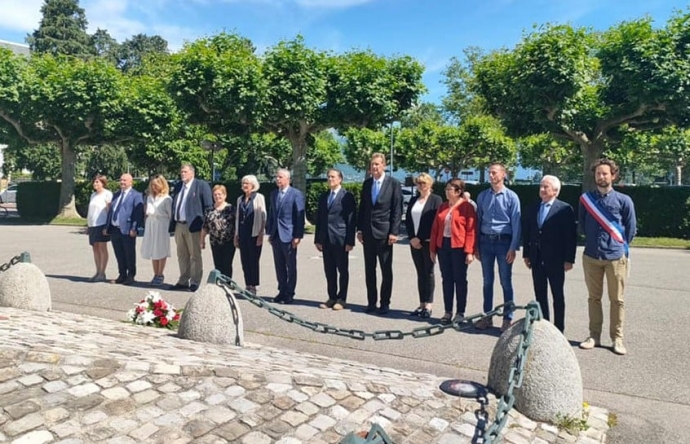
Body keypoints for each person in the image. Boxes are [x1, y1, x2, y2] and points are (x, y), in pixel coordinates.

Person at [578, 159, 636, 355]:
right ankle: (594, 335)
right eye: (598, 174)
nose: (601, 177)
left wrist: (618, 246)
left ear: (613, 175)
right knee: (594, 298)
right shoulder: (586, 199)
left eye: (605, 173)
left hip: (615, 257)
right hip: (592, 256)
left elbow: (631, 228)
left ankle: (617, 338)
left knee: (617, 300)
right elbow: (583, 226)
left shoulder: (624, 200)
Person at [522, 175, 577, 333]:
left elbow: (570, 236)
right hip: (537, 258)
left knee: (557, 295)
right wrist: (527, 254)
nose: (542, 190)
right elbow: (528, 232)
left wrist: (569, 259)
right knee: (540, 294)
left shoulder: (564, 209)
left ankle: (559, 329)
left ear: (555, 191)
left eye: (546, 187)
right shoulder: (533, 207)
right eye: (541, 186)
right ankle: (543, 326)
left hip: (556, 260)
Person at [475, 162, 521, 332]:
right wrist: (476, 246)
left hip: (503, 242)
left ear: (503, 175)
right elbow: (478, 220)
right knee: (487, 282)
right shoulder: (482, 196)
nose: (491, 175)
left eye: (494, 172)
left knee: (505, 281)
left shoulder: (511, 197)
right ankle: (487, 317)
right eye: (489, 173)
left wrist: (513, 247)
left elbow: (516, 223)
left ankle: (507, 319)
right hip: (485, 241)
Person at [357, 153, 403, 315]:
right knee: (370, 270)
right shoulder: (367, 184)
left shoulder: (393, 184)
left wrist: (394, 232)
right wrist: (360, 229)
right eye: (372, 165)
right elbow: (363, 208)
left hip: (384, 234)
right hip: (368, 234)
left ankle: (385, 303)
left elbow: (397, 210)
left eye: (377, 164)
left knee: (386, 270)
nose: (374, 167)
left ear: (384, 165)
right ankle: (371, 302)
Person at [429, 179, 476, 324]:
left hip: (459, 247)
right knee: (447, 279)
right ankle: (447, 311)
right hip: (444, 246)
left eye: (449, 189)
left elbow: (471, 230)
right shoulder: (442, 206)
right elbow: (435, 228)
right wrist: (433, 249)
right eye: (446, 189)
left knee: (460, 280)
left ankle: (460, 312)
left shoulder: (467, 207)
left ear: (458, 191)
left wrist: (469, 251)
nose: (447, 192)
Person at [315, 168, 356, 311]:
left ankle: (342, 298)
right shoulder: (324, 196)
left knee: (342, 270)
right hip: (326, 238)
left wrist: (350, 241)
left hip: (340, 238)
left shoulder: (347, 196)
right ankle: (331, 297)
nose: (330, 179)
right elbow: (319, 219)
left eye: (333, 177)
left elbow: (351, 220)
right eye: (328, 177)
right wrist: (317, 239)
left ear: (340, 179)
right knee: (329, 270)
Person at [170, 163, 213, 292]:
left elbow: (208, 207)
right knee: (182, 254)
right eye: (181, 172)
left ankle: (195, 281)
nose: (182, 174)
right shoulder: (178, 186)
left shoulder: (200, 185)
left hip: (194, 226)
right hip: (179, 225)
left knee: (195, 255)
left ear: (192, 173)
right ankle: (183, 280)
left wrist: (205, 227)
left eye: (185, 172)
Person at [405, 173, 442, 318]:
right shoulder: (415, 199)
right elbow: (408, 220)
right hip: (414, 242)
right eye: (419, 183)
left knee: (429, 272)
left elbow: (434, 222)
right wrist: (412, 237)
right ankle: (421, 304)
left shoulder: (436, 200)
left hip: (427, 241)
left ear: (430, 184)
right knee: (420, 272)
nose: (421, 186)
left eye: (424, 183)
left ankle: (429, 304)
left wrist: (420, 238)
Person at [266, 168, 305, 304]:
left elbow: (299, 216)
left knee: (290, 265)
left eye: (280, 177)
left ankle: (289, 292)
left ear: (288, 179)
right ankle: (281, 290)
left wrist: (298, 235)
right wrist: (270, 233)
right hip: (276, 235)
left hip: (289, 235)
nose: (278, 179)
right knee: (279, 265)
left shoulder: (296, 194)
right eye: (277, 177)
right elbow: (272, 215)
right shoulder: (274, 194)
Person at [106, 173, 144, 285]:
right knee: (119, 253)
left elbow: (138, 213)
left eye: (125, 180)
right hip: (115, 229)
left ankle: (131, 275)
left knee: (129, 253)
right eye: (121, 180)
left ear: (131, 182)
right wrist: (107, 226)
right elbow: (111, 211)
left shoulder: (136, 195)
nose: (122, 182)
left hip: (127, 230)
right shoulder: (116, 195)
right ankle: (122, 274)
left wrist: (134, 228)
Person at [234, 175, 266, 296]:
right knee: (244, 260)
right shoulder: (239, 199)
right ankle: (247, 284)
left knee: (253, 260)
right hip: (243, 233)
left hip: (254, 233)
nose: (244, 185)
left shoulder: (259, 197)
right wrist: (236, 235)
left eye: (246, 183)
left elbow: (263, 217)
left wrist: (261, 234)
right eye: (243, 183)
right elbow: (238, 217)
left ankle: (254, 285)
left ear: (253, 185)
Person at [140, 175, 172, 286]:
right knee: (153, 249)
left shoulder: (167, 199)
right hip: (151, 224)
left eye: (156, 185)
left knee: (161, 249)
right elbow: (147, 212)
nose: (154, 187)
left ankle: (160, 273)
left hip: (162, 224)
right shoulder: (149, 197)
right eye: (152, 185)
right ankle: (155, 274)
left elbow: (170, 215)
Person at [201, 185, 236, 279]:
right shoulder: (209, 210)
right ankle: (219, 286)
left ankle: (227, 285)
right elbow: (205, 226)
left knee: (227, 264)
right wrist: (202, 240)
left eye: (220, 194)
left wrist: (237, 238)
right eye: (215, 194)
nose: (217, 196)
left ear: (225, 195)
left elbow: (236, 225)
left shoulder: (231, 208)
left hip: (228, 240)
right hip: (214, 241)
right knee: (218, 265)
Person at [86, 175, 112, 282]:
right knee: (95, 248)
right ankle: (97, 271)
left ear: (103, 183)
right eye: (94, 182)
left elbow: (109, 210)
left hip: (102, 224)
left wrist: (107, 226)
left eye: (97, 182)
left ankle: (102, 272)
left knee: (102, 248)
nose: (95, 184)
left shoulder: (107, 194)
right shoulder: (93, 195)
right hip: (93, 224)